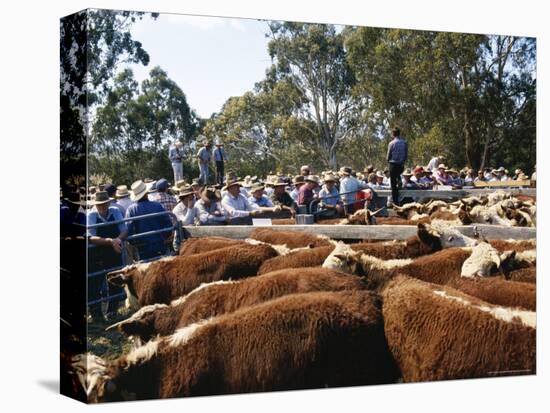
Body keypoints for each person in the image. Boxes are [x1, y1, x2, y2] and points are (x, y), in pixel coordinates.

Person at [87, 191, 128, 321]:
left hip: (112, 251)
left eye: (104, 204)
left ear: (109, 202)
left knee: (114, 280)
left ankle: (112, 311)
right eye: (99, 204)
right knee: (94, 283)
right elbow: (90, 237)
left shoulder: (115, 211)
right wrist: (111, 241)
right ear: (96, 205)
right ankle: (96, 314)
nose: (102, 207)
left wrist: (117, 240)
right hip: (96, 253)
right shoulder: (92, 214)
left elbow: (125, 230)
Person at [125, 180, 172, 260]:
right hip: (160, 245)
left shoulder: (131, 210)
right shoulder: (157, 205)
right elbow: (168, 224)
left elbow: (128, 231)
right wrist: (164, 237)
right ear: (146, 193)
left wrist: (136, 243)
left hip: (143, 249)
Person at [386, 127, 408, 206]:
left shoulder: (391, 143)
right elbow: (406, 155)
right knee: (399, 177)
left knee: (393, 184)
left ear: (393, 134)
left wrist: (389, 161)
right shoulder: (404, 142)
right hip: (401, 165)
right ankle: (399, 181)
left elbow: (388, 156)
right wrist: (402, 162)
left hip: (393, 164)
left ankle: (395, 202)